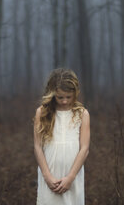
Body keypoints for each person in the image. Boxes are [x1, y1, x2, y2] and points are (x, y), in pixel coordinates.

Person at [34, 68, 90, 205]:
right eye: (60, 97)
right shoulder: (42, 113)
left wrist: (70, 178)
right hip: (49, 176)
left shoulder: (82, 114)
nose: (64, 101)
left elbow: (84, 148)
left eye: (68, 97)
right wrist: (47, 177)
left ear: (75, 94)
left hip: (73, 177)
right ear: (52, 94)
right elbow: (37, 146)